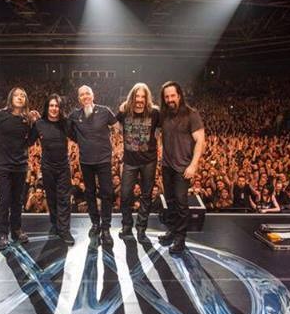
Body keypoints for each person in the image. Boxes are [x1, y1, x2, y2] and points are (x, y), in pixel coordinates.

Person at [0, 87, 38, 251]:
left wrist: (35, 123)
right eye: (17, 95)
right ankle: (2, 234)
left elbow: (30, 142)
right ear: (10, 98)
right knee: (5, 199)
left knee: (17, 200)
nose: (20, 97)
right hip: (3, 163)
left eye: (23, 95)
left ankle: (16, 230)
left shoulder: (27, 119)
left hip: (21, 164)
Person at [67, 85, 121, 246]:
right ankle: (95, 223)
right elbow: (69, 132)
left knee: (107, 194)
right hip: (86, 161)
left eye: (87, 93)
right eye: (82, 94)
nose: (85, 96)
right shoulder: (74, 115)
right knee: (89, 193)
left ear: (93, 95)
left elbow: (117, 126)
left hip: (104, 160)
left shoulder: (104, 111)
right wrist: (81, 141)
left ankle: (106, 228)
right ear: (79, 99)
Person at [157, 81, 205, 255]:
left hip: (183, 167)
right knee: (169, 201)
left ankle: (180, 239)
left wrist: (193, 165)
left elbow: (200, 140)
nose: (170, 99)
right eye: (167, 97)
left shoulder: (191, 114)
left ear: (179, 96)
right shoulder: (163, 115)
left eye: (172, 96)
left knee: (181, 202)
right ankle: (172, 231)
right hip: (167, 165)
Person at [116, 83, 161, 244]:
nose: (140, 100)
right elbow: (116, 127)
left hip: (149, 161)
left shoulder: (155, 113)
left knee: (146, 195)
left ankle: (141, 228)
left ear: (147, 98)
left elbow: (159, 131)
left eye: (143, 96)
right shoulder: (124, 111)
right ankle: (126, 226)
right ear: (132, 97)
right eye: (137, 96)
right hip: (130, 161)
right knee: (125, 195)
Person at [29, 94, 75, 245]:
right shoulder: (39, 124)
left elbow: (78, 137)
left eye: (57, 106)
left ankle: (64, 230)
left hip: (63, 167)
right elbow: (28, 141)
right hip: (47, 167)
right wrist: (28, 122)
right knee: (51, 197)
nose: (54, 108)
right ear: (47, 107)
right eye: (51, 105)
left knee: (64, 199)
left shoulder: (66, 124)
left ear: (60, 108)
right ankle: (55, 224)